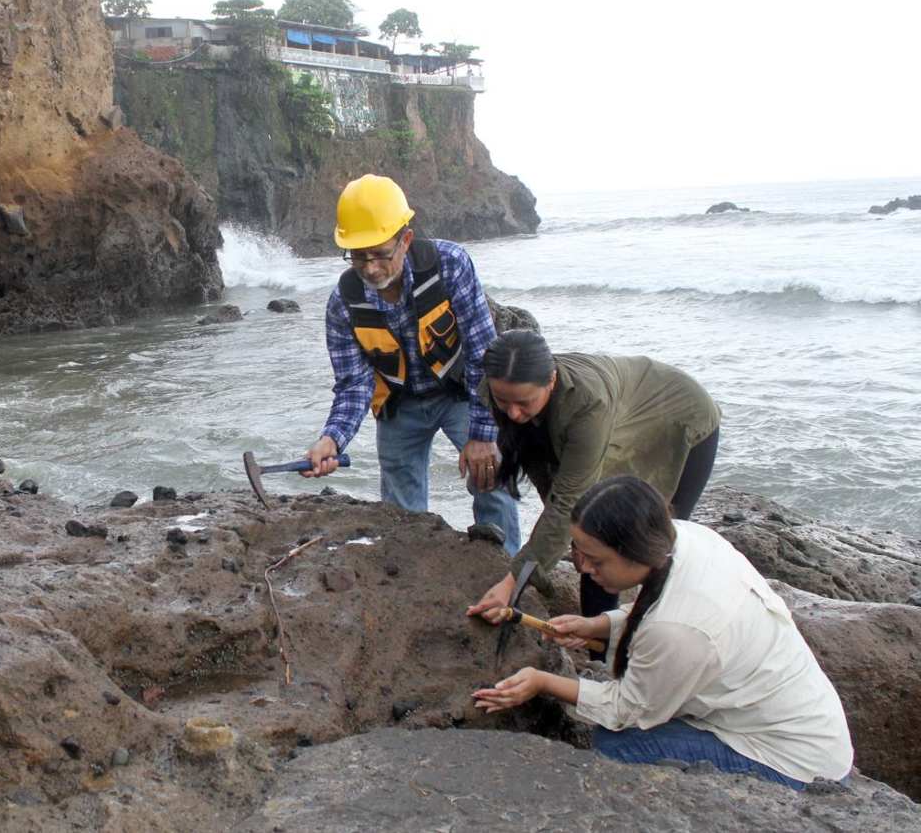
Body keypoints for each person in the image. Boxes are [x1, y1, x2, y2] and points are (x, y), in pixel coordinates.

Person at [472, 476, 853, 789]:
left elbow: (625, 710)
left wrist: (543, 682)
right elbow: (656, 610)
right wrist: (600, 625)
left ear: (636, 551)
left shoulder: (680, 631)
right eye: (578, 551)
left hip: (795, 760)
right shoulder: (683, 538)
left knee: (617, 745)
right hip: (801, 717)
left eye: (595, 558)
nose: (583, 567)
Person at [303, 174, 520, 553]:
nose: (370, 268)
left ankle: (507, 573)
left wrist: (485, 434)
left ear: (405, 239)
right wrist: (331, 439)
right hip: (400, 405)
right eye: (358, 256)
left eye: (380, 253)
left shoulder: (450, 265)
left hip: (461, 395)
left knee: (494, 476)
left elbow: (484, 353)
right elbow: (354, 386)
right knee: (401, 517)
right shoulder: (343, 304)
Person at [466, 330, 720, 630]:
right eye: (502, 402)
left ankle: (666, 628)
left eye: (523, 403)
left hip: (681, 415)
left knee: (656, 542)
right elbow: (547, 476)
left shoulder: (588, 405)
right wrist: (569, 538)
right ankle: (596, 645)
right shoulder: (506, 389)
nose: (513, 413)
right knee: (590, 545)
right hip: (624, 413)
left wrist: (514, 581)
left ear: (551, 380)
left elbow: (569, 499)